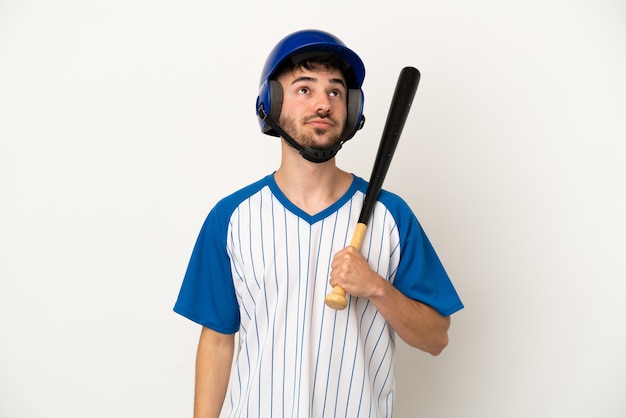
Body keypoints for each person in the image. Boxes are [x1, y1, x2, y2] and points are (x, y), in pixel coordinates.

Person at [174, 29, 464, 418]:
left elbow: (436, 337)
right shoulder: (231, 218)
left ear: (352, 108)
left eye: (335, 91)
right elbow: (217, 340)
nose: (323, 104)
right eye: (304, 89)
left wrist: (377, 288)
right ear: (271, 103)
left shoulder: (391, 216)